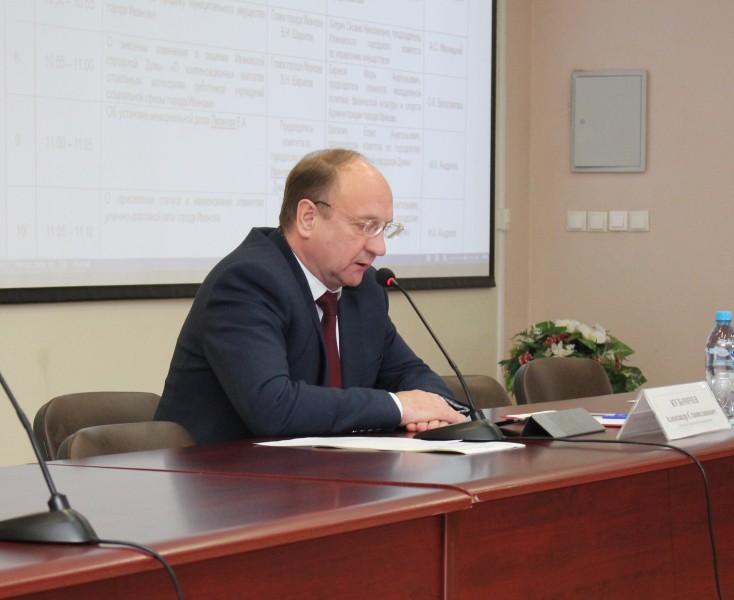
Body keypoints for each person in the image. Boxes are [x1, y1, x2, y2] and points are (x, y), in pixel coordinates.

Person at [155, 148, 467, 443]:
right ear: (308, 218)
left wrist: (431, 408)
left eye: (385, 228)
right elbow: (274, 407)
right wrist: (399, 407)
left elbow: (410, 374)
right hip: (218, 475)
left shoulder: (365, 290)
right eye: (366, 226)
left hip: (321, 471)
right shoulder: (247, 282)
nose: (379, 247)